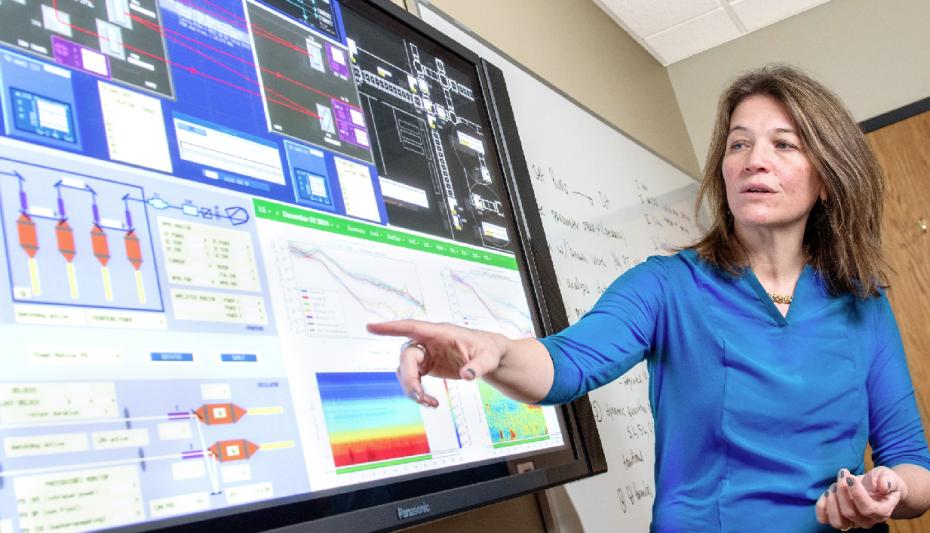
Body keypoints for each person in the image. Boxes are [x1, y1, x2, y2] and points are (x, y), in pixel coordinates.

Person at [367, 65, 930, 532]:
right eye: (739, 144)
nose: (754, 160)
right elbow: (566, 364)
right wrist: (489, 350)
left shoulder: (863, 303)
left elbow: (913, 465)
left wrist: (889, 489)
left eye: (784, 144)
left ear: (826, 178)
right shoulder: (666, 285)